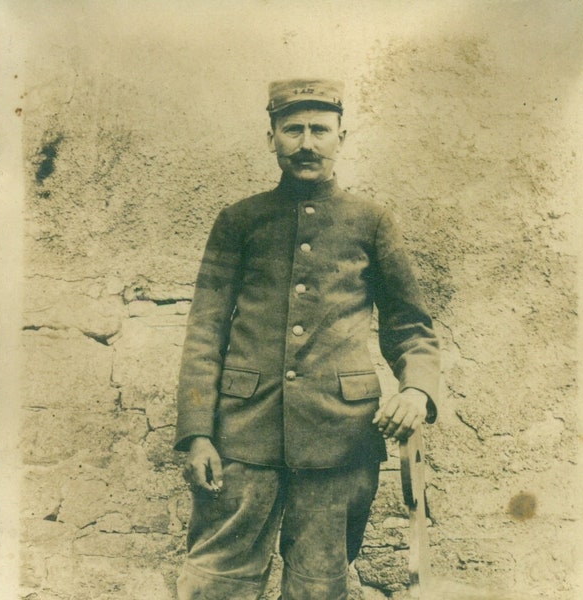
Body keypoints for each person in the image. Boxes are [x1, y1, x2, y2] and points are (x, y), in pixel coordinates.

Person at [174, 78, 440, 600]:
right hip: (241, 438)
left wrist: (417, 391)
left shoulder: (372, 223)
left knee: (319, 588)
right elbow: (204, 332)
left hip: (339, 441)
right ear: (270, 137)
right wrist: (197, 433)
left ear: (342, 136)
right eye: (292, 129)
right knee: (213, 584)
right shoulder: (239, 222)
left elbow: (410, 325)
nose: (307, 142)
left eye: (320, 129)